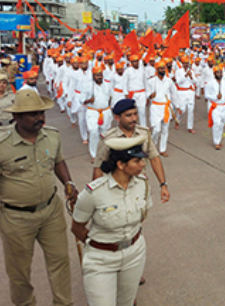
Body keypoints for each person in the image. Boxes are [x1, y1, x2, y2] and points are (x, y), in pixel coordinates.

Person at [0, 89, 78, 306]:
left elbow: (58, 161)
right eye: (33, 114)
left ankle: (63, 303)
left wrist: (68, 183)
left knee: (60, 261)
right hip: (16, 218)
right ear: (16, 117)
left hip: (51, 210)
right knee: (19, 271)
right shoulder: (2, 144)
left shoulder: (51, 136)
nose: (40, 118)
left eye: (41, 113)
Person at [72, 136, 153, 306]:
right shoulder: (94, 193)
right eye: (136, 161)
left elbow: (141, 218)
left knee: (127, 302)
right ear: (121, 165)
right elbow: (77, 227)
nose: (143, 164)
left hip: (134, 253)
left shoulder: (142, 185)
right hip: (101, 259)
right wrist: (101, 245)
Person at [93, 99, 170, 204]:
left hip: (139, 186)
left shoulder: (144, 133)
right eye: (128, 115)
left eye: (135, 114)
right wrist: (95, 195)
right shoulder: (108, 139)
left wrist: (163, 185)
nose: (134, 119)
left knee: (139, 216)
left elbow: (154, 158)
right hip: (116, 188)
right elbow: (98, 167)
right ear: (117, 118)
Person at [84, 66, 113, 162]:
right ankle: (94, 154)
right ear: (93, 76)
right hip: (93, 111)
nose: (99, 77)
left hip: (105, 111)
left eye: (100, 75)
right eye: (97, 75)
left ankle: (104, 152)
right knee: (93, 131)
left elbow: (111, 97)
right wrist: (88, 100)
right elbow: (80, 99)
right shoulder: (88, 85)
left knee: (104, 133)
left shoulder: (107, 84)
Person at [206, 65, 225, 149]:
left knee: (221, 125)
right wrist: (215, 97)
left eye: (221, 72)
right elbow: (206, 96)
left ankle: (219, 140)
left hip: (224, 107)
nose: (219, 74)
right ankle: (216, 142)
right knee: (216, 123)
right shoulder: (210, 83)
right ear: (214, 74)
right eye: (218, 72)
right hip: (215, 107)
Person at [122, 55, 147, 126]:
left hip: (141, 93)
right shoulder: (127, 71)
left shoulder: (142, 70)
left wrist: (147, 95)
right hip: (132, 94)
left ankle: (143, 126)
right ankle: (132, 126)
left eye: (137, 61)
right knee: (132, 112)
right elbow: (124, 83)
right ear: (131, 62)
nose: (136, 63)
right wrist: (126, 94)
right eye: (134, 61)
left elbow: (145, 82)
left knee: (142, 111)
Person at [175, 56, 197, 133]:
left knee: (191, 110)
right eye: (184, 63)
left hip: (190, 92)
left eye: (187, 63)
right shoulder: (178, 71)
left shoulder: (192, 71)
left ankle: (190, 127)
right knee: (182, 109)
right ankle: (177, 120)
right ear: (182, 64)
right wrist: (185, 75)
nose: (186, 65)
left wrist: (191, 76)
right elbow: (178, 82)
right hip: (181, 93)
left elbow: (195, 82)